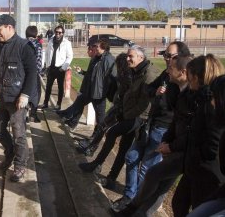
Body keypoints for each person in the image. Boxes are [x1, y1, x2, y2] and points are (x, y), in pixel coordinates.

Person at [112, 41, 191, 212]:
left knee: (147, 170)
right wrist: (155, 94)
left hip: (163, 130)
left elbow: (174, 110)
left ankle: (136, 204)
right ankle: (130, 196)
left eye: (171, 56)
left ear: (182, 58)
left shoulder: (184, 82)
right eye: (166, 55)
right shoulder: (166, 74)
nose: (167, 59)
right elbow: (149, 90)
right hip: (150, 125)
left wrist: (159, 99)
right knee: (131, 157)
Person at [78, 46, 159, 187]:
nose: (128, 59)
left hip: (139, 118)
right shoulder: (136, 70)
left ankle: (99, 166)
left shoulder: (148, 74)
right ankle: (110, 177)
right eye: (127, 56)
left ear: (141, 57)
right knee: (123, 146)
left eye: (131, 56)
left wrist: (126, 115)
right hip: (130, 114)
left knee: (113, 134)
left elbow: (145, 104)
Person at [171, 54, 225, 216]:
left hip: (206, 173)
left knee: (194, 208)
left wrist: (198, 155)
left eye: (189, 75)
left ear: (195, 77)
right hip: (195, 168)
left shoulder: (210, 104)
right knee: (178, 203)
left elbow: (213, 143)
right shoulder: (202, 99)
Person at [0, 14, 37, 182]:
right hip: (2, 97)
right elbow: (0, 72)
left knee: (19, 135)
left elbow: (32, 73)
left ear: (10, 27)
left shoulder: (24, 46)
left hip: (18, 99)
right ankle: (9, 155)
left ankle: (20, 165)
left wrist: (25, 95)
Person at [57, 39, 115, 134]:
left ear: (103, 48)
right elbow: (91, 74)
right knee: (79, 102)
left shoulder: (108, 59)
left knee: (100, 117)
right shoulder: (97, 58)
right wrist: (82, 72)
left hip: (99, 94)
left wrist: (106, 91)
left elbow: (112, 77)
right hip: (90, 90)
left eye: (96, 46)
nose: (94, 48)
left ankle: (96, 136)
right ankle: (71, 120)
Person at [187, 74, 225, 217]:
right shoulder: (220, 122)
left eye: (215, 97)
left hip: (212, 176)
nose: (212, 102)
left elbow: (212, 147)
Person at [41, 25, 73, 110]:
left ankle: (58, 104)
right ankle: (45, 103)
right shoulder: (51, 41)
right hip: (51, 68)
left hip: (60, 68)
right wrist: (47, 65)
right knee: (48, 86)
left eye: (60, 33)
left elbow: (69, 56)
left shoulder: (67, 43)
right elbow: (47, 53)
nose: (58, 34)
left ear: (63, 33)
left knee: (60, 87)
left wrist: (64, 67)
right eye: (56, 32)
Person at [26, 26, 43, 123]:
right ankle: (33, 114)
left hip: (24, 72)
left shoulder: (22, 43)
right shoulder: (37, 44)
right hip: (34, 72)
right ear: (35, 34)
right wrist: (39, 72)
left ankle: (25, 114)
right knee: (37, 93)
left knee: (25, 91)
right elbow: (39, 59)